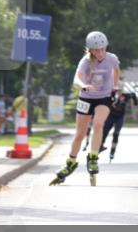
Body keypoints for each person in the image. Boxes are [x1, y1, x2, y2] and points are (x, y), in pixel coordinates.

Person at [50, 31, 120, 186]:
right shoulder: (86, 62)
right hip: (86, 97)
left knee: (98, 124)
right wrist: (83, 86)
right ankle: (71, 162)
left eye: (102, 49)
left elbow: (116, 71)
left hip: (104, 97)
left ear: (106, 47)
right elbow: (76, 79)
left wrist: (115, 87)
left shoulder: (112, 58)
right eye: (96, 50)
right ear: (90, 50)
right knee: (80, 134)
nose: (100, 53)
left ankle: (93, 157)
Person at [99, 89, 130, 161]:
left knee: (116, 133)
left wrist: (132, 97)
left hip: (119, 118)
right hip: (110, 117)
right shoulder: (112, 96)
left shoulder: (125, 97)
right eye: (118, 91)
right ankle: (100, 146)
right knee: (104, 132)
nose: (119, 93)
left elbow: (133, 99)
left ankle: (113, 150)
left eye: (120, 91)